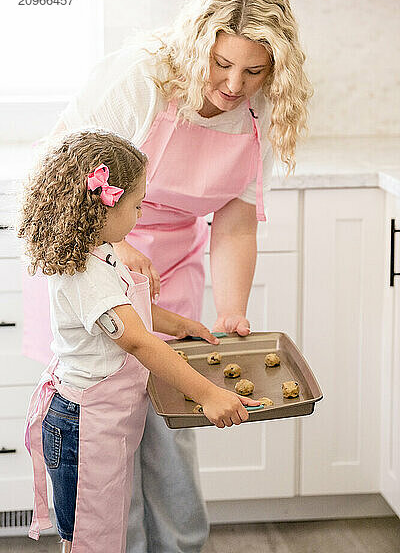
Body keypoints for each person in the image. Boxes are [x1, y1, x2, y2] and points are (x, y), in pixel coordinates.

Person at [23, 0, 312, 553]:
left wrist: (231, 312)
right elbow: (70, 172)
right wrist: (115, 246)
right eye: (221, 63)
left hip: (172, 266)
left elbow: (233, 221)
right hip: (92, 253)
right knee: (107, 430)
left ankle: (181, 545)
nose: (234, 85)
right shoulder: (142, 78)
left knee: (171, 422)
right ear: (196, 43)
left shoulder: (263, 112)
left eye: (253, 71)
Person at [20, 129, 261, 553]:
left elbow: (132, 309)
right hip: (84, 425)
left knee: (107, 529)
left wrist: (182, 324)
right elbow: (137, 341)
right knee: (92, 538)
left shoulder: (102, 250)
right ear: (105, 205)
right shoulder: (86, 274)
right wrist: (207, 393)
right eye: (136, 204)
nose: (141, 213)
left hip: (103, 422)